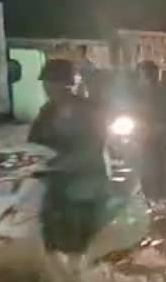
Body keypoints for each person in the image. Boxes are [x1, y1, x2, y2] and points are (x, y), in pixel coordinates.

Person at [28, 58, 110, 254]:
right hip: (56, 179)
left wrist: (64, 163)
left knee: (82, 234)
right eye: (46, 83)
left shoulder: (89, 110)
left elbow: (95, 145)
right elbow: (34, 143)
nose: (47, 88)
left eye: (52, 83)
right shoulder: (47, 112)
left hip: (86, 178)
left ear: (67, 84)